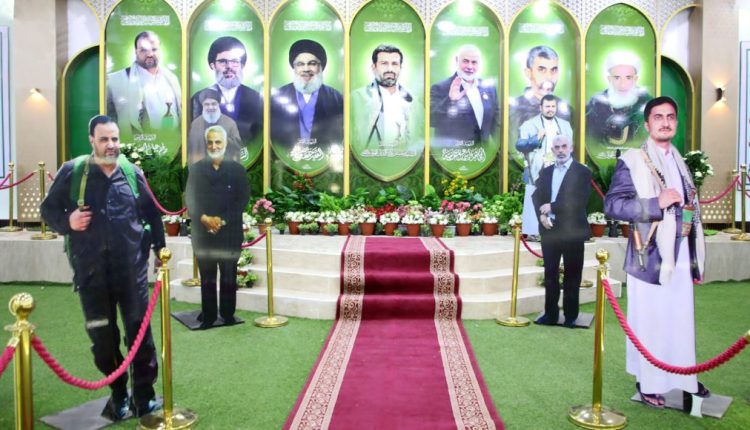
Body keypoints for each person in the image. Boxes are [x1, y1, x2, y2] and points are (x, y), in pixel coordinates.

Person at [40, 115, 164, 420]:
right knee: (102, 339)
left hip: (131, 271)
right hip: (91, 272)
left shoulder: (132, 173)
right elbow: (48, 209)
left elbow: (152, 214)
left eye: (115, 139)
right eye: (104, 139)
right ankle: (118, 393)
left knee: (139, 335)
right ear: (92, 141)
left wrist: (160, 250)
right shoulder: (74, 172)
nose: (111, 145)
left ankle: (144, 397)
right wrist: (67, 221)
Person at [604, 96, 708, 408]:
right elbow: (613, 205)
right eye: (658, 117)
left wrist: (694, 258)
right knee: (650, 323)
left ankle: (683, 378)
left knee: (680, 320)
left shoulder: (679, 161)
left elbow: (688, 209)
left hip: (680, 255)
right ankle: (648, 383)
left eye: (670, 117)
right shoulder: (633, 160)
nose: (665, 122)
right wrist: (655, 204)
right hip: (647, 257)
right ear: (648, 124)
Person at [185, 125, 251, 330]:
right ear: (206, 144)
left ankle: (228, 314)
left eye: (218, 142)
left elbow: (243, 200)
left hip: (229, 233)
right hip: (203, 233)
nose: (214, 146)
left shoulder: (237, 170)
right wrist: (204, 218)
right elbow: (190, 199)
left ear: (225, 144)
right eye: (210, 142)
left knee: (229, 275)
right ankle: (209, 315)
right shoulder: (196, 169)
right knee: (207, 277)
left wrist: (221, 221)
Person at [532, 134, 591, 328]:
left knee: (573, 275)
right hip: (550, 230)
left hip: (573, 231)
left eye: (564, 146)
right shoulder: (546, 171)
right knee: (550, 275)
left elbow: (579, 200)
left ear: (571, 148)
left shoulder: (582, 172)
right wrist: (541, 216)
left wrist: (552, 207)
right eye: (557, 147)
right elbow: (537, 196)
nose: (560, 150)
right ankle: (550, 314)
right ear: (552, 150)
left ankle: (571, 316)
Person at [190, 36, 263, 160]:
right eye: (223, 61)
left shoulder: (257, 99)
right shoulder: (198, 99)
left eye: (235, 61)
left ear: (242, 65)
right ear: (212, 65)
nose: (229, 66)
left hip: (248, 159)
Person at [517, 94, 573, 240]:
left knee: (557, 196)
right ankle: (532, 232)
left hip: (558, 167)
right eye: (547, 106)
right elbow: (520, 145)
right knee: (533, 196)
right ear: (541, 107)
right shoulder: (529, 124)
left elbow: (570, 146)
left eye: (553, 106)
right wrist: (537, 138)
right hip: (537, 168)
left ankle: (557, 229)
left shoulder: (565, 125)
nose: (550, 109)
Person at [270, 39, 343, 150]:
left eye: (312, 63)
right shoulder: (278, 97)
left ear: (321, 67)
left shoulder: (336, 98)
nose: (306, 69)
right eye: (300, 64)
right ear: (294, 67)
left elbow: (338, 136)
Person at [106, 31, 181, 135]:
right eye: (143, 50)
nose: (149, 54)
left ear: (160, 50)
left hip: (172, 141)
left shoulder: (171, 78)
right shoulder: (115, 81)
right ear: (136, 52)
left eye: (154, 49)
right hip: (137, 143)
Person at [429, 44, 499, 147]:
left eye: (474, 62)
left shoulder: (489, 89)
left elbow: (496, 124)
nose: (470, 67)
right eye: (465, 61)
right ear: (456, 60)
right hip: (453, 153)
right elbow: (432, 120)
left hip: (483, 153)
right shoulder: (440, 88)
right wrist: (451, 100)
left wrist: (501, 150)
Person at [351, 44, 415, 149]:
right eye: (384, 63)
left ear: (400, 68)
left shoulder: (412, 99)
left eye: (394, 64)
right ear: (374, 67)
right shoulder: (357, 97)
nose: (390, 69)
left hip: (403, 156)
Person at [586, 51, 651, 148]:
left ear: (635, 79)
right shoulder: (596, 104)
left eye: (628, 78)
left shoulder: (647, 103)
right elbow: (591, 140)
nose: (623, 84)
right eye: (617, 78)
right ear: (609, 79)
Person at [509, 45, 572, 129]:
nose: (549, 77)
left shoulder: (568, 112)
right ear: (528, 72)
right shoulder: (511, 111)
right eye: (542, 70)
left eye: (554, 70)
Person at [187, 88, 242, 164]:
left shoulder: (230, 123)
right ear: (202, 105)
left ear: (218, 104)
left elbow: (237, 145)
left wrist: (223, 139)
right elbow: (191, 149)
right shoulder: (195, 124)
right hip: (200, 167)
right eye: (207, 104)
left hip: (225, 166)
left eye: (213, 104)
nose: (210, 107)